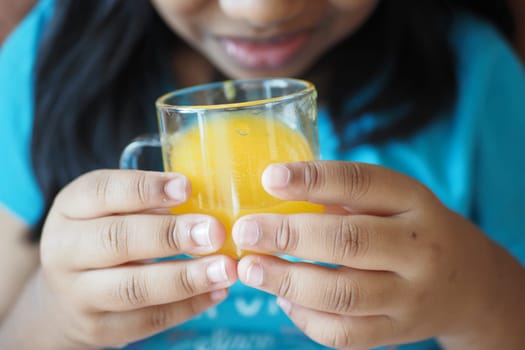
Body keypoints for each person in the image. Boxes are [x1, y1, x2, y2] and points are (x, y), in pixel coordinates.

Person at [1, 1, 524, 349]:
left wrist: (477, 294)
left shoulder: (477, 80)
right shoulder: (45, 64)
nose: (261, 10)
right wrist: (60, 314)